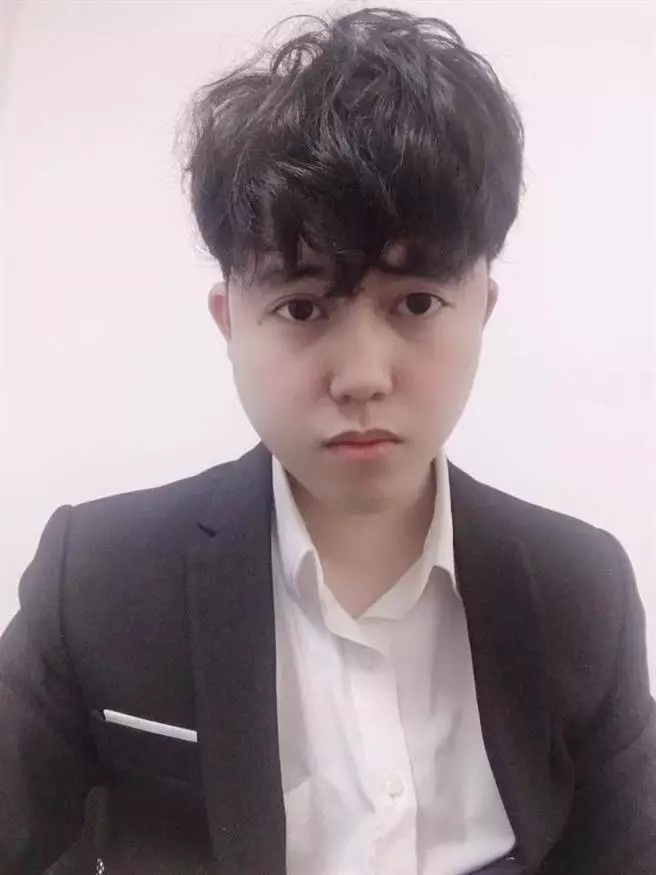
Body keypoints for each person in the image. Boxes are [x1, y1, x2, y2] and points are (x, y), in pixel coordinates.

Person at [1, 6, 654, 875]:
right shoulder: (97, 577)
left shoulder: (584, 591)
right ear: (229, 322)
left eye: (416, 302)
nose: (362, 375)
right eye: (303, 306)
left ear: (482, 310)